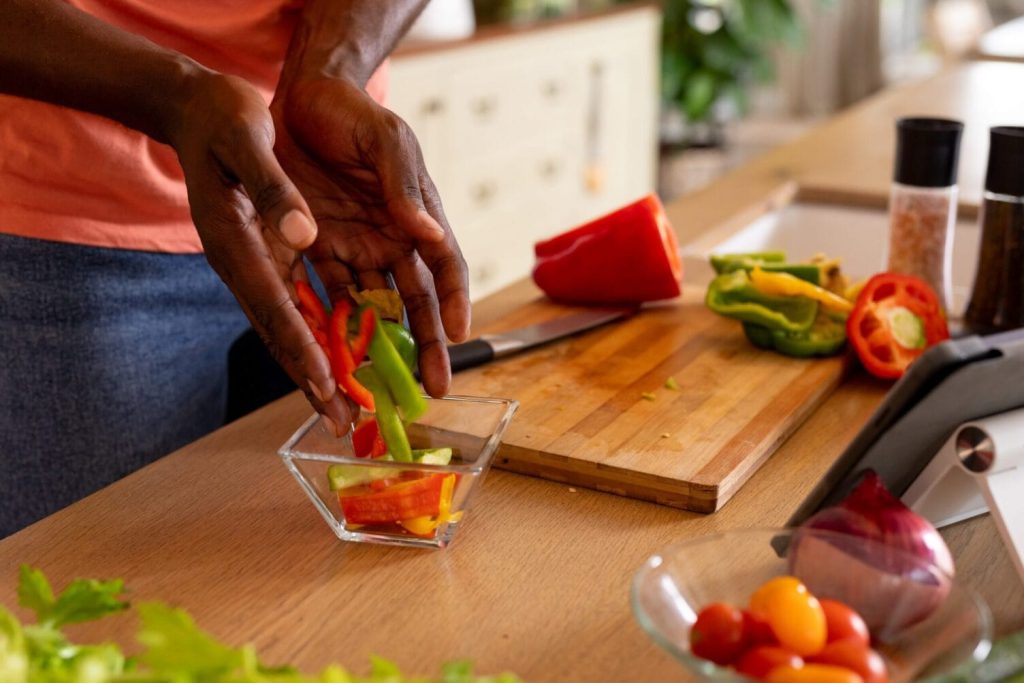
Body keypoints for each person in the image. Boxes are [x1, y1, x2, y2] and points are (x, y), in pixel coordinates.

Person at [0, 0, 470, 538]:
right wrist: (173, 93)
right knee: (89, 556)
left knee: (292, 568)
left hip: (321, 194)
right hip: (69, 217)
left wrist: (331, 66)